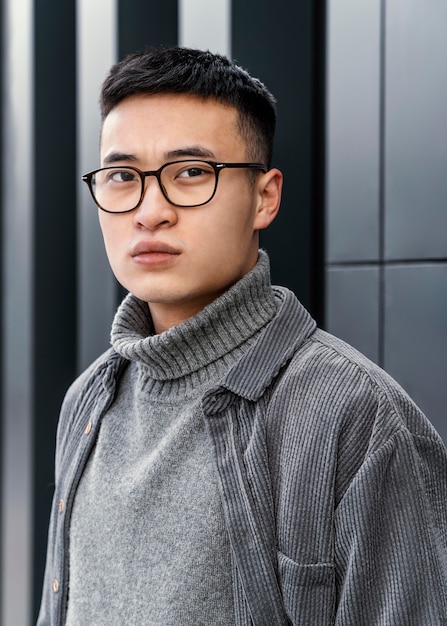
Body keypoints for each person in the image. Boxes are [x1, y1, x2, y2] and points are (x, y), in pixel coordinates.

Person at [38, 46, 447, 626]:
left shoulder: (352, 415)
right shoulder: (89, 401)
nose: (149, 211)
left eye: (190, 173)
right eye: (123, 177)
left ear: (265, 196)